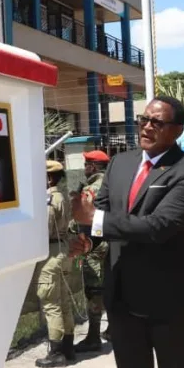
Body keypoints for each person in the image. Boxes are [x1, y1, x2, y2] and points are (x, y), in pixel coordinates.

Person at [70, 96, 184, 368]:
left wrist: (95, 220)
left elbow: (160, 227)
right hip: (122, 296)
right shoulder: (120, 163)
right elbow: (105, 212)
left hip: (169, 299)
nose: (146, 127)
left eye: (157, 122)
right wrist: (89, 240)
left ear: (177, 130)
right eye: (143, 120)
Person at [35, 160, 76, 368]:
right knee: (63, 300)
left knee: (51, 303)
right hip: (64, 251)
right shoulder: (64, 196)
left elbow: (45, 229)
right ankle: (69, 347)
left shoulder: (49, 199)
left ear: (49, 178)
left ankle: (57, 352)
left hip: (51, 252)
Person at [73, 150, 112, 353]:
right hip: (113, 242)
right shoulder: (114, 183)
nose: (85, 168)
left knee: (94, 290)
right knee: (112, 286)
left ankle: (93, 337)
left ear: (93, 167)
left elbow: (84, 217)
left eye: (87, 164)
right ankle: (112, 329)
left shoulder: (91, 188)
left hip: (95, 244)